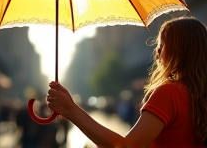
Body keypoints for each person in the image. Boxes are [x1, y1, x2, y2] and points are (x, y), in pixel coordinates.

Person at [47, 17, 207, 148]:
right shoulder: (197, 94)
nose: (157, 56)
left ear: (177, 50)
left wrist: (71, 110)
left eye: (161, 47)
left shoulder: (169, 93)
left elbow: (127, 147)